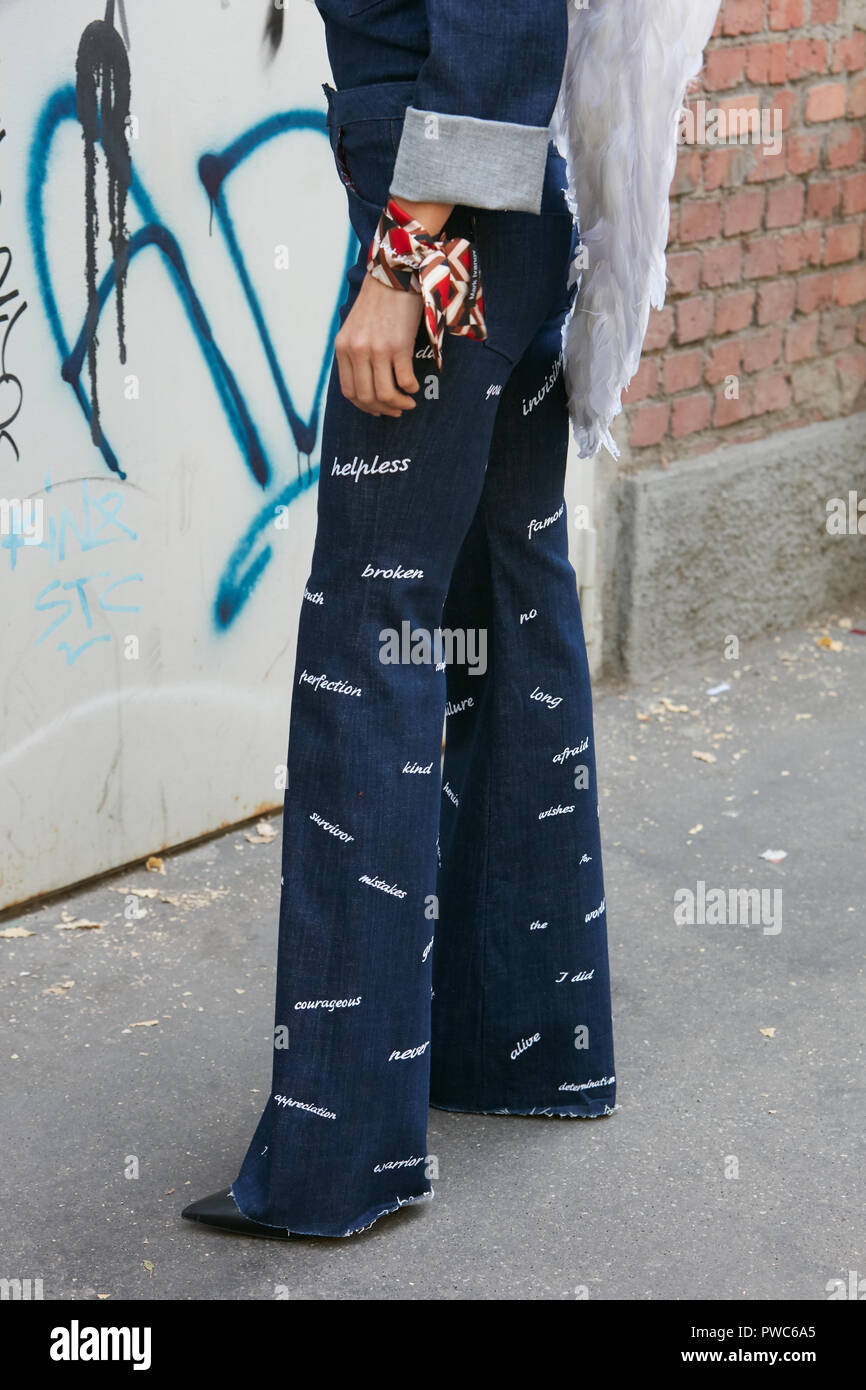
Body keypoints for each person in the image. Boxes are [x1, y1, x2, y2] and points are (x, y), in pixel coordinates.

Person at [182, 0, 721, 1240]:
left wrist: (401, 263)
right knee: (501, 601)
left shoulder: (423, 241)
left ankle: (338, 1159)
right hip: (502, 211)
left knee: (367, 637)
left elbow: (499, 19)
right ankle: (523, 1045)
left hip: (444, 230)